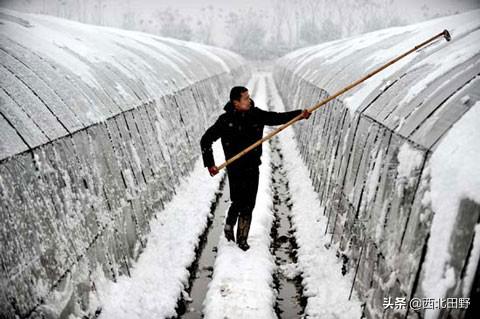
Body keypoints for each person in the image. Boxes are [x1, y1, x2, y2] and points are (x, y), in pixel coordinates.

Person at [199, 86, 311, 251]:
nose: (249, 100)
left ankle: (242, 239)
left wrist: (299, 114)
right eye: (245, 98)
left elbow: (276, 118)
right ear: (235, 102)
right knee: (237, 200)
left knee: (249, 202)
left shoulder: (255, 114)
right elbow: (205, 140)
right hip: (235, 167)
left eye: (248, 96)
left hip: (252, 166)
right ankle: (229, 224)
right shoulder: (225, 121)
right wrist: (210, 164)